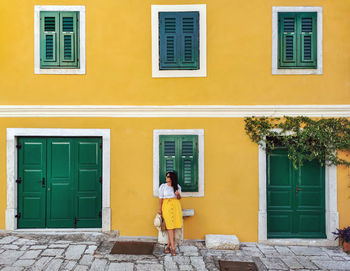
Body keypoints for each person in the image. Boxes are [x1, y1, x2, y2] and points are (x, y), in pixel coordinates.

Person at [158, 171, 183, 256]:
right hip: (167, 207)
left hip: (176, 206)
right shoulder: (163, 186)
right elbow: (160, 199)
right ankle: (173, 248)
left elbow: (179, 198)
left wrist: (178, 194)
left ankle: (168, 246)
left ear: (172, 178)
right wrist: (160, 210)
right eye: (166, 176)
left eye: (168, 176)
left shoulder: (177, 186)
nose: (166, 177)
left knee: (173, 227)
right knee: (169, 227)